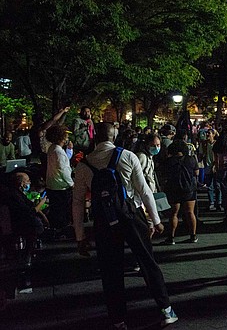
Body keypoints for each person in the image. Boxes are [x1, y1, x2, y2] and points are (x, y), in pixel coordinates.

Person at [72, 123, 178, 329]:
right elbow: (144, 190)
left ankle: (118, 319)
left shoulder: (84, 165)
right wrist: (155, 220)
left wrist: (80, 235)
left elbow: (76, 202)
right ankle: (166, 309)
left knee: (111, 270)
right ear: (115, 136)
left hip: (104, 220)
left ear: (95, 138)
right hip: (131, 215)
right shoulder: (128, 156)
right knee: (148, 262)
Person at [162, 140, 199, 244]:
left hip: (173, 189)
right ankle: (193, 235)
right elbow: (196, 172)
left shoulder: (169, 161)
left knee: (174, 214)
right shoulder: (191, 159)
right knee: (190, 212)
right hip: (189, 189)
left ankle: (171, 237)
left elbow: (164, 174)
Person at [45, 125, 74, 231]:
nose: (67, 138)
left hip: (52, 185)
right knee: (62, 210)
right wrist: (71, 183)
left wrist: (69, 151)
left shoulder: (53, 148)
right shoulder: (58, 152)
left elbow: (63, 161)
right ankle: (62, 230)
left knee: (55, 210)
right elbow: (63, 169)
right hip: (60, 187)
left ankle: (56, 229)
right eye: (66, 136)